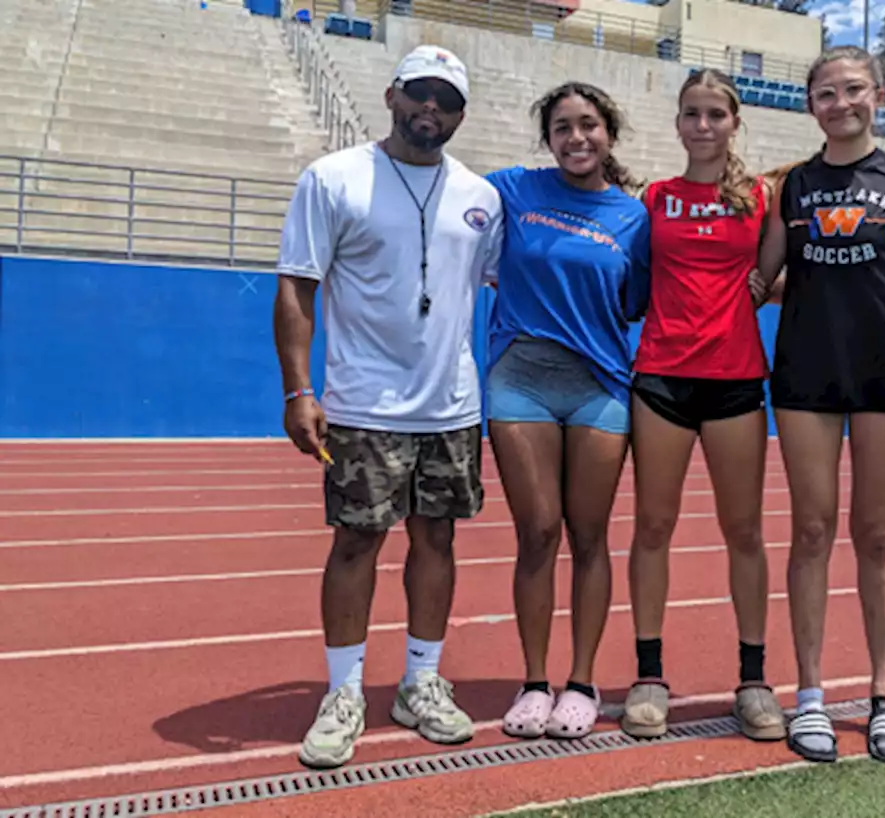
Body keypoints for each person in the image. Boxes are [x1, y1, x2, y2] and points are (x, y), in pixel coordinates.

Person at [273, 45, 503, 769]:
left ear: (461, 114)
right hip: (363, 405)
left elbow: (506, 283)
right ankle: (343, 693)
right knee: (355, 544)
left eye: (446, 98)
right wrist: (297, 389)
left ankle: (421, 682)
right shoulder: (333, 178)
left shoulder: (482, 196)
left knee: (438, 542)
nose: (429, 108)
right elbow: (296, 289)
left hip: (451, 407)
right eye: (419, 93)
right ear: (391, 94)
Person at [751, 46, 885, 764]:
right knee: (811, 531)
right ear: (810, 106)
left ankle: (882, 695)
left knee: (875, 535)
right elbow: (760, 278)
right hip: (806, 374)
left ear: (879, 94)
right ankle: (809, 694)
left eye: (853, 91)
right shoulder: (793, 186)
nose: (841, 104)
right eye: (826, 94)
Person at [619, 68, 784, 743]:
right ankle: (649, 676)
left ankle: (752, 680)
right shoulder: (653, 198)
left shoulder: (761, 199)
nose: (704, 125)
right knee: (652, 527)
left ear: (734, 121)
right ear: (679, 122)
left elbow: (785, 273)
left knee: (743, 531)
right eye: (692, 113)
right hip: (661, 376)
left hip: (737, 380)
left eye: (716, 113)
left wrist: (762, 291)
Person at [483, 82, 651, 741]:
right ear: (547, 137)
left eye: (588, 125)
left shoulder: (634, 218)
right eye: (562, 127)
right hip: (519, 379)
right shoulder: (512, 189)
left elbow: (634, 302)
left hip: (599, 387)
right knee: (538, 533)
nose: (576, 138)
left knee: (589, 535)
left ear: (609, 133)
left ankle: (580, 682)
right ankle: (532, 681)